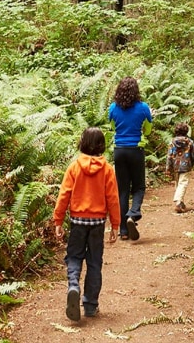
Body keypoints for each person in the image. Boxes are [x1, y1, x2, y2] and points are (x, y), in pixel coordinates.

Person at [53, 127, 120, 321]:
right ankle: (90, 305)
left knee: (74, 256)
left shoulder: (74, 167)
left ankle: (73, 285)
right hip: (98, 223)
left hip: (77, 221)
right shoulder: (107, 169)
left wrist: (58, 220)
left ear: (82, 143)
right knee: (94, 262)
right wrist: (115, 225)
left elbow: (64, 194)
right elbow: (113, 199)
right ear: (102, 145)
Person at [108, 76, 152, 241]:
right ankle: (132, 215)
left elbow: (112, 127)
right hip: (136, 150)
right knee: (139, 187)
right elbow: (147, 130)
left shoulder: (113, 108)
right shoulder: (143, 108)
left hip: (119, 150)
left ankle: (123, 231)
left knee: (123, 190)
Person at [166, 121, 194, 213]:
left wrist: (168, 168)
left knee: (178, 183)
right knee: (183, 183)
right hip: (186, 166)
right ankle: (179, 202)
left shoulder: (172, 142)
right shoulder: (190, 142)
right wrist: (193, 163)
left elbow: (169, 155)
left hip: (175, 166)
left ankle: (180, 202)